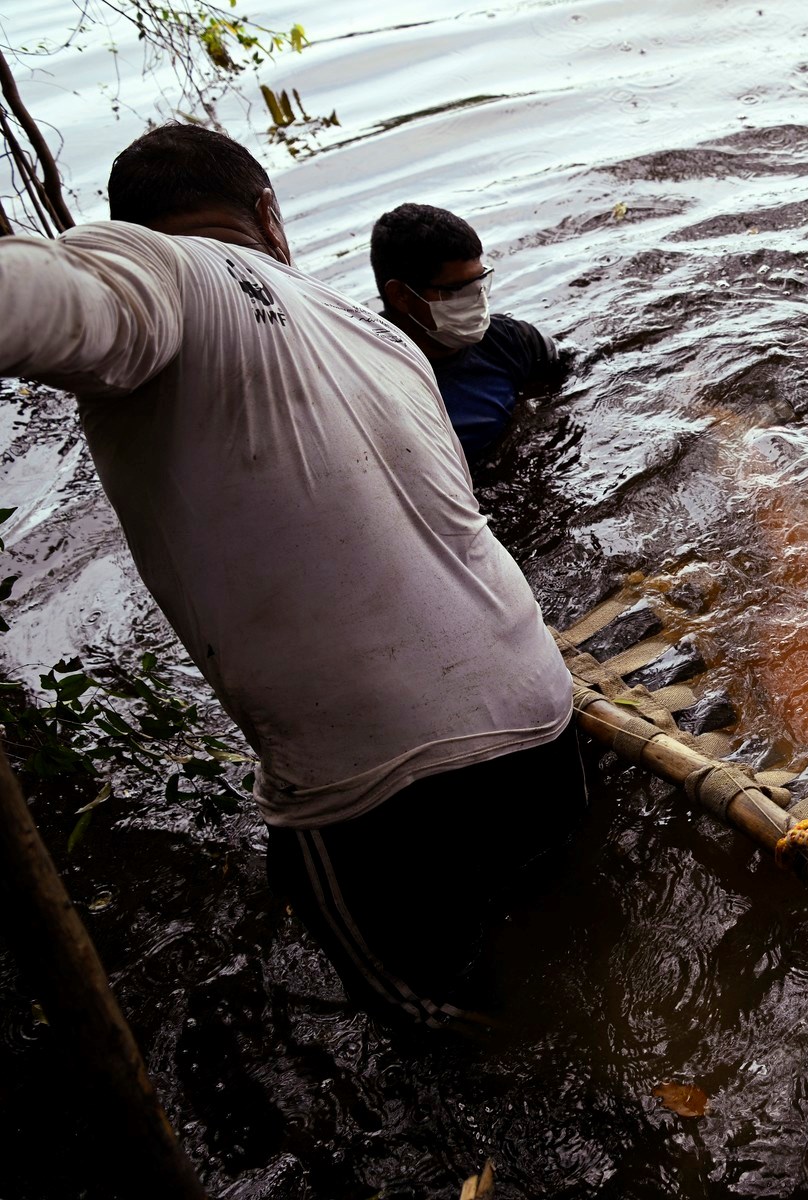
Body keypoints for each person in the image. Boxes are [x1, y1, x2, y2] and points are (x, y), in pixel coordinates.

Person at [0, 124, 584, 1030]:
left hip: (380, 779)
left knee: (449, 1035)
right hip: (544, 712)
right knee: (574, 923)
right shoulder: (375, 334)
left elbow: (34, 300)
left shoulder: (156, 267)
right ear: (269, 214)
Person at [371, 203, 559, 463]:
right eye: (455, 291)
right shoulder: (370, 386)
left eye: (479, 283)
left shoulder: (513, 342)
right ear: (401, 295)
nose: (477, 300)